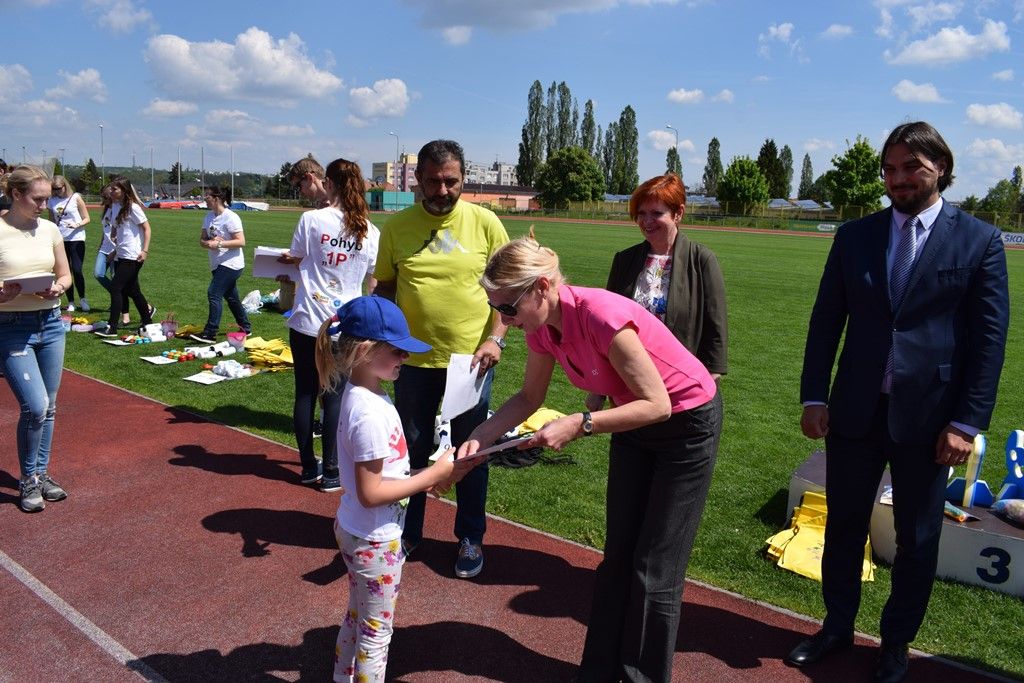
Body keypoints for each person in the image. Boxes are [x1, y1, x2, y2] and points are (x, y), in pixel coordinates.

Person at [790, 121, 1009, 683]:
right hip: (855, 412)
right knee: (843, 526)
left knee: (918, 539)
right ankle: (836, 627)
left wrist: (966, 422)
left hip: (931, 421)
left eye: (911, 167)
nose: (899, 179)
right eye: (890, 169)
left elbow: (988, 344)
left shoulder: (978, 241)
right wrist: (815, 394)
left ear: (940, 167)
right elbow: (824, 323)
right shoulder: (855, 236)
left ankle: (895, 645)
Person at [457, 233, 722, 682]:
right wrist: (480, 436)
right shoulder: (542, 328)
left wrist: (580, 423)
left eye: (508, 308)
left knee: (654, 568)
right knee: (618, 557)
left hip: (686, 425)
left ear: (542, 287)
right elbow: (528, 397)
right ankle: (599, 672)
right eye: (496, 309)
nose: (504, 320)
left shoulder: (601, 315)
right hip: (634, 421)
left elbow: (658, 404)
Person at [374, 139, 509, 579]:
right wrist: (382, 337)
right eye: (433, 180)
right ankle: (407, 531)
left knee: (471, 452)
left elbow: (509, 292)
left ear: (463, 179)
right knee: (409, 449)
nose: (443, 189)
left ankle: (470, 536)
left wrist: (497, 340)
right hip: (411, 362)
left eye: (451, 180)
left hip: (471, 364)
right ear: (417, 180)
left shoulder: (486, 224)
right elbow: (386, 288)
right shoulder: (396, 228)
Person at [315, 295, 465, 683]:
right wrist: (431, 477)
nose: (404, 358)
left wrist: (427, 474)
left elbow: (386, 475)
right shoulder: (368, 412)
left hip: (361, 531)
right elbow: (371, 492)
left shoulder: (370, 396)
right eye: (396, 351)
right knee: (376, 636)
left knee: (357, 617)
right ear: (365, 351)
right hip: (374, 541)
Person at [278, 158, 379, 492]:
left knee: (305, 392)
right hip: (346, 323)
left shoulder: (311, 219)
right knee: (335, 397)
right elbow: (372, 280)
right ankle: (333, 472)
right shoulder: (369, 229)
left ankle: (309, 467)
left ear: (329, 183)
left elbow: (297, 257)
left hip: (309, 319)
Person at [0, 165, 74, 512]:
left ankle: (42, 474)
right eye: (38, 198)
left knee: (51, 405)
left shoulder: (49, 230)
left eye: (47, 198)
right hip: (11, 325)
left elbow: (65, 274)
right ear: (16, 194)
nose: (45, 205)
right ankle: (28, 479)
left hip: (50, 322)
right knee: (36, 405)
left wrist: (57, 287)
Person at [605, 173, 727, 378]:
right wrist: (601, 386)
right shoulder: (624, 260)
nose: (647, 221)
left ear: (678, 213)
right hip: (630, 380)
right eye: (641, 213)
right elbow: (608, 325)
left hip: (681, 381)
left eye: (656, 213)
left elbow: (716, 328)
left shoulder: (702, 260)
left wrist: (709, 381)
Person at [94, 177, 154, 337]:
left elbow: (147, 229)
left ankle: (112, 327)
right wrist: (114, 246)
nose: (111, 191)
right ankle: (148, 323)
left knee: (116, 287)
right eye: (111, 189)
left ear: (124, 191)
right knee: (132, 290)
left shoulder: (133, 208)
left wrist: (145, 251)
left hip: (133, 255)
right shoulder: (114, 206)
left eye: (115, 189)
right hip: (121, 254)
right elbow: (115, 226)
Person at [190, 185, 251, 343]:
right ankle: (246, 327)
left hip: (232, 263)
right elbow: (202, 241)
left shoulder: (231, 217)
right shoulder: (208, 217)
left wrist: (219, 244)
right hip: (217, 263)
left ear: (216, 198)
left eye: (207, 197)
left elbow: (241, 241)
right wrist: (208, 243)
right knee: (231, 297)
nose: (205, 199)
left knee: (214, 293)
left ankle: (210, 332)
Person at [47, 175, 91, 312]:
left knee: (77, 270)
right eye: (53, 189)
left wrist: (77, 224)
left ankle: (83, 299)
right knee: (65, 272)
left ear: (65, 186)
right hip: (60, 240)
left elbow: (87, 218)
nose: (56, 191)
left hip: (76, 238)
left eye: (58, 188)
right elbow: (51, 221)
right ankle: (71, 301)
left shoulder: (75, 198)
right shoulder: (51, 201)